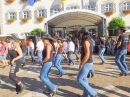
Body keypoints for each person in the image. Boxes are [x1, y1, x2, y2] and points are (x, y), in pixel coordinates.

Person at [77, 33, 97, 97]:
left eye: (80, 33)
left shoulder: (86, 41)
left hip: (87, 62)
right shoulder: (89, 40)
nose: (80, 35)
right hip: (88, 62)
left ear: (83, 34)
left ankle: (93, 93)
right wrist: (81, 57)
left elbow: (87, 55)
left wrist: (81, 64)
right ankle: (86, 95)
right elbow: (86, 53)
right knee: (84, 79)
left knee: (79, 79)